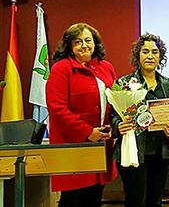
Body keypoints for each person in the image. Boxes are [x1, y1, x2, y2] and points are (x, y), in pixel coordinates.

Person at [46, 23, 117, 207]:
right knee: (73, 199)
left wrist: (111, 128)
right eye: (78, 42)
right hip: (74, 146)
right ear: (70, 46)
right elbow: (57, 109)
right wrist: (87, 132)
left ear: (95, 44)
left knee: (94, 196)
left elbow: (115, 101)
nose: (84, 45)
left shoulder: (106, 67)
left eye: (88, 40)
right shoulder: (61, 69)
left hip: (101, 143)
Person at [111, 33, 169, 207]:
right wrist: (119, 125)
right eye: (145, 51)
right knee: (135, 201)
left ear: (160, 56)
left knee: (155, 201)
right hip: (133, 151)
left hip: (160, 153)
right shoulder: (124, 83)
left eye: (155, 52)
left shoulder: (168, 85)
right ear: (137, 55)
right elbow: (113, 117)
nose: (150, 56)